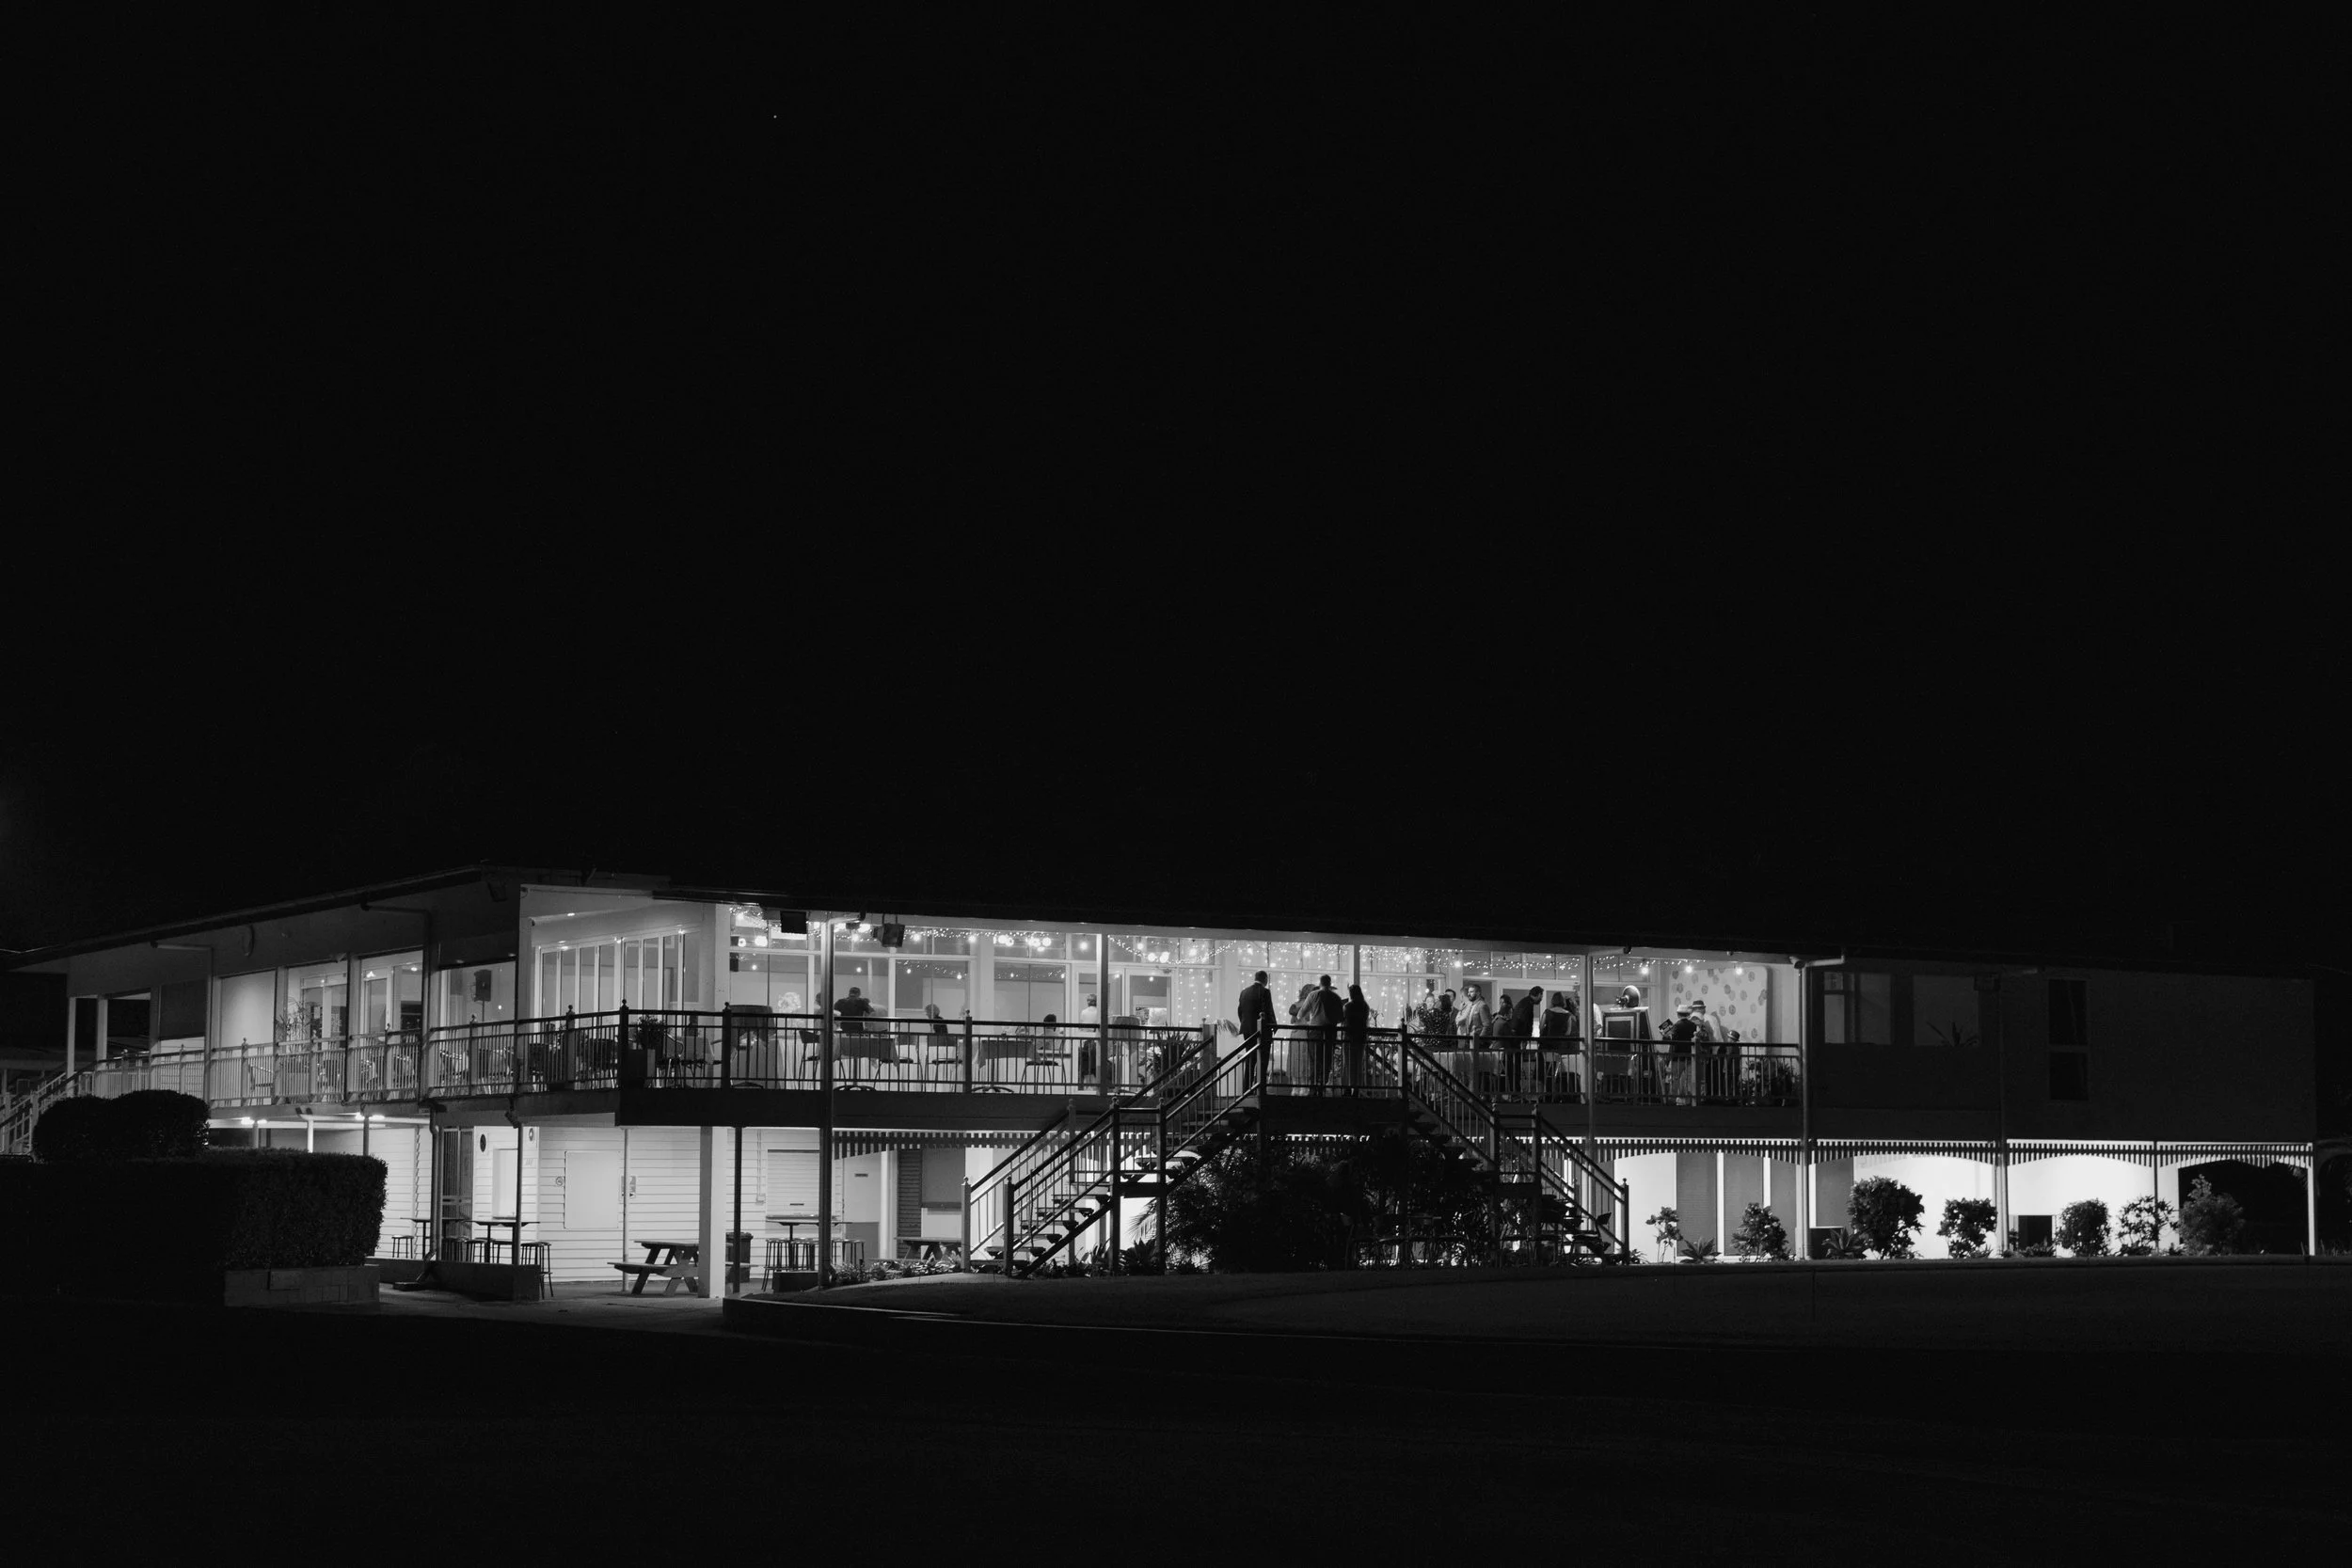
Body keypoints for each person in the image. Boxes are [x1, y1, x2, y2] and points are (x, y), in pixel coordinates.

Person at [1235, 970, 1275, 1089]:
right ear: (1265, 980)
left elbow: (1240, 1011)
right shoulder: (1265, 992)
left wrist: (1245, 1024)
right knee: (1262, 1060)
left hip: (1247, 1030)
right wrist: (1274, 1026)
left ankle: (1246, 1088)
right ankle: (1260, 1088)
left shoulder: (1244, 992)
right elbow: (1268, 1010)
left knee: (1250, 1059)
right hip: (1262, 1031)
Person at [1305, 974, 1344, 1086]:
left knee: (1314, 1059)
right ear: (1330, 983)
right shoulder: (1336, 998)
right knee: (1326, 1059)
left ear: (1320, 983)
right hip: (1330, 1032)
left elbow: (1300, 1014)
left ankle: (1314, 1085)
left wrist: (1310, 1018)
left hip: (1314, 1032)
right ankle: (1323, 1083)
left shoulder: (1313, 995)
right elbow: (1341, 1018)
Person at [1342, 983, 1372, 1090]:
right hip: (1361, 1037)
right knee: (1359, 1063)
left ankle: (1349, 1087)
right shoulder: (1365, 1006)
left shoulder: (1348, 1006)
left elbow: (1343, 1019)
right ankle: (1357, 1088)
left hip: (1349, 1037)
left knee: (1349, 1064)